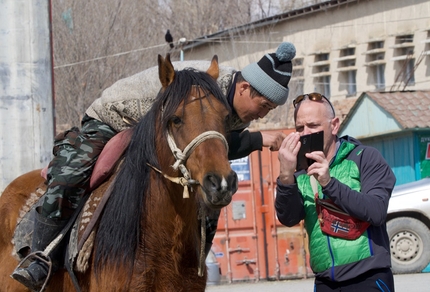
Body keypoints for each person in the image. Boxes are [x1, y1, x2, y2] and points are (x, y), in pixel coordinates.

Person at [12, 42, 297, 290]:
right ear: (245, 88)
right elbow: (191, 130)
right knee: (73, 172)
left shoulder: (233, 107)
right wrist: (258, 139)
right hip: (113, 117)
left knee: (210, 191)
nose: (262, 115)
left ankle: (193, 261)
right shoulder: (204, 90)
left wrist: (253, 139)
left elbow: (203, 145)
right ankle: (40, 257)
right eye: (264, 106)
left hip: (162, 127)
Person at [275, 92, 396, 291]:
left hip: (368, 277)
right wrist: (286, 177)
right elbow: (288, 218)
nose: (305, 133)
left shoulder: (364, 157)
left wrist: (329, 183)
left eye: (313, 126)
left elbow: (376, 211)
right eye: (299, 128)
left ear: (334, 125)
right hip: (325, 282)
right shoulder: (300, 173)